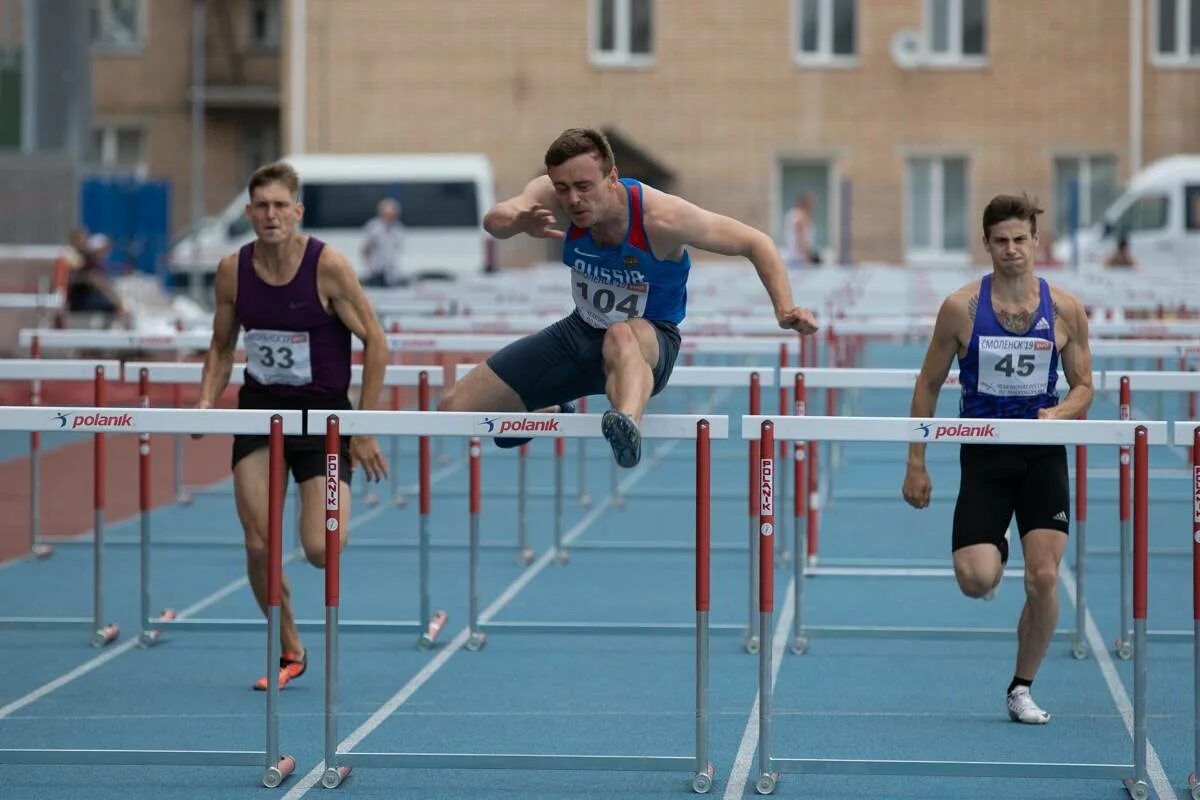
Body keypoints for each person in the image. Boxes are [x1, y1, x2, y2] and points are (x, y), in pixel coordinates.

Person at [438, 127, 818, 467]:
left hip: (648, 343)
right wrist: (518, 221)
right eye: (563, 188)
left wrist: (784, 309)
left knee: (621, 332)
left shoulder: (664, 218)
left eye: (584, 187)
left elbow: (756, 242)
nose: (572, 200)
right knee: (452, 408)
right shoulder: (552, 197)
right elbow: (495, 221)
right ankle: (555, 410)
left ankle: (626, 425)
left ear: (612, 178)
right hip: (578, 333)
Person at [196, 161, 390, 690]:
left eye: (281, 205)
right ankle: (290, 648)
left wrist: (364, 428)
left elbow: (377, 341)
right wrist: (205, 402)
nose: (271, 214)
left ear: (297, 211)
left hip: (326, 422)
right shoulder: (233, 270)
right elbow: (220, 345)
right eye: (261, 206)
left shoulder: (329, 267)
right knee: (258, 543)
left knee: (321, 549)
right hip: (261, 415)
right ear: (248, 212)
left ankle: (324, 499)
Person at [901, 193, 1094, 725]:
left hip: (1042, 455)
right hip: (984, 456)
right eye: (1001, 240)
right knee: (977, 579)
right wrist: (916, 461)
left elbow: (1084, 387)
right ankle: (996, 548)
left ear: (1037, 242)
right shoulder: (960, 309)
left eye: (1021, 240)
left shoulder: (1065, 310)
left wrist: (1057, 416)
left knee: (1045, 578)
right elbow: (929, 382)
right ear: (986, 244)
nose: (1012, 250)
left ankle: (1021, 687)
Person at [361, 197, 406, 287]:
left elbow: (397, 248)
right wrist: (368, 268)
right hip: (375, 271)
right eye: (387, 214)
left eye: (392, 214)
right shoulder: (373, 227)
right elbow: (365, 249)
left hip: (391, 272)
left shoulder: (398, 229)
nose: (390, 217)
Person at [782, 193, 819, 268]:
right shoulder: (800, 217)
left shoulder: (792, 214)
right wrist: (807, 258)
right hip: (799, 259)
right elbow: (801, 239)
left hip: (793, 257)